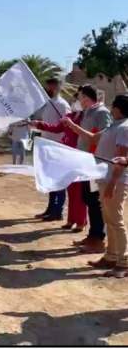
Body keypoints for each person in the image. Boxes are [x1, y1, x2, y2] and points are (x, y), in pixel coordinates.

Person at [63, 94, 128, 277]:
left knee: (116, 222)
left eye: (113, 107)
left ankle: (124, 262)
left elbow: (121, 159)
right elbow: (93, 139)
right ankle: (111, 256)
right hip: (103, 179)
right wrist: (73, 126)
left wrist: (113, 183)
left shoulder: (124, 128)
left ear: (118, 109)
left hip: (114, 181)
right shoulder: (113, 127)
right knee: (109, 220)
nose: (111, 109)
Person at [61, 84, 112, 254]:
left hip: (95, 163)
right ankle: (92, 235)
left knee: (94, 200)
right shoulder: (88, 112)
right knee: (88, 197)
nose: (78, 101)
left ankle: (99, 239)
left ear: (87, 99)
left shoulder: (102, 112)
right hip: (85, 162)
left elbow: (103, 137)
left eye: (80, 97)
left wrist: (74, 127)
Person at [30, 97, 87, 232]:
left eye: (79, 98)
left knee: (79, 191)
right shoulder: (69, 116)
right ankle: (71, 220)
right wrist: (40, 124)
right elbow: (57, 128)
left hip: (79, 155)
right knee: (70, 189)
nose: (76, 102)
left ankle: (81, 221)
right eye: (75, 98)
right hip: (66, 155)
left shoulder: (85, 119)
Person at [35, 78, 71, 221]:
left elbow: (65, 127)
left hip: (57, 147)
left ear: (55, 88)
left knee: (59, 180)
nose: (45, 90)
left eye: (48, 87)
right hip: (46, 146)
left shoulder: (62, 105)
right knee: (50, 180)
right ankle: (51, 208)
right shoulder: (49, 104)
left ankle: (58, 211)